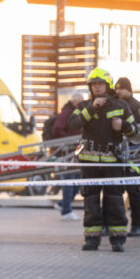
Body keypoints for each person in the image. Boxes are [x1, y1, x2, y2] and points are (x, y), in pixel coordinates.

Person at [69, 68, 139, 252]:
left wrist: (122, 125)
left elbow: (136, 133)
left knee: (114, 199)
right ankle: (92, 239)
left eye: (100, 84)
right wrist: (93, 107)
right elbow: (73, 124)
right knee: (90, 200)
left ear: (107, 85)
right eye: (93, 84)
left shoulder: (121, 106)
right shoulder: (84, 106)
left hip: (112, 161)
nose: (97, 87)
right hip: (89, 162)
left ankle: (118, 239)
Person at [115, 77, 140, 237]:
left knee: (134, 192)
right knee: (113, 192)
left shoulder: (139, 108)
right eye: (116, 89)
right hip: (117, 156)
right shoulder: (114, 106)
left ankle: (137, 226)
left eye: (121, 89)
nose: (118, 92)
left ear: (129, 89)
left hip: (134, 156)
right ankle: (113, 224)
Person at [52, 93, 84, 221]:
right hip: (67, 152)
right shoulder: (67, 113)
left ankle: (63, 204)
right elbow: (57, 129)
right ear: (75, 101)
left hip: (77, 150)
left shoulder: (76, 112)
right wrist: (69, 140)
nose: (82, 103)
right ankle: (66, 210)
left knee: (77, 180)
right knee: (70, 180)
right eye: (81, 101)